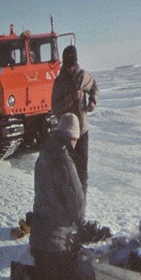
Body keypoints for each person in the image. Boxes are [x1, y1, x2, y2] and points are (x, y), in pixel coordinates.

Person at [25, 112, 86, 280]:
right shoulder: (64, 161)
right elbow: (77, 204)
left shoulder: (43, 154)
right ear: (72, 138)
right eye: (76, 139)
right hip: (55, 246)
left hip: (37, 241)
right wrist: (81, 225)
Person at [52, 45, 99, 195]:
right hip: (67, 134)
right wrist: (70, 98)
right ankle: (68, 202)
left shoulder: (82, 76)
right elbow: (55, 107)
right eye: (68, 65)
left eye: (73, 65)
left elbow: (94, 86)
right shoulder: (59, 82)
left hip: (82, 131)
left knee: (82, 170)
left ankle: (81, 203)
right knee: (67, 170)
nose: (70, 69)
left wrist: (92, 100)